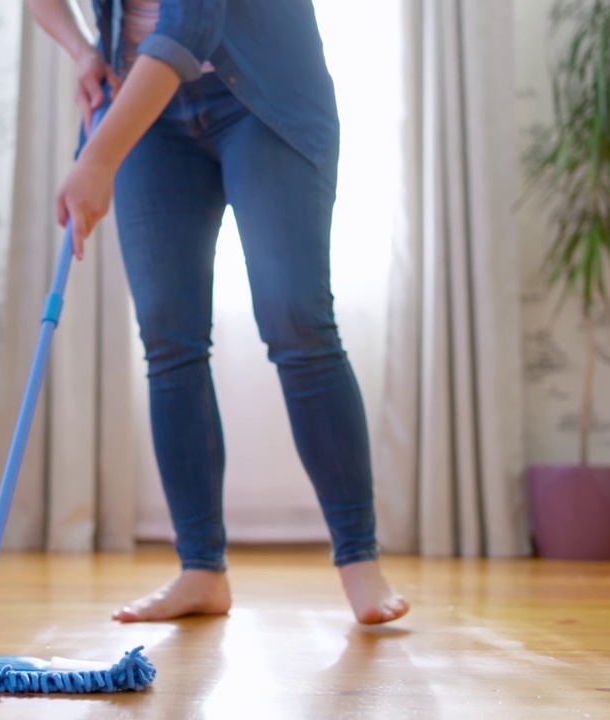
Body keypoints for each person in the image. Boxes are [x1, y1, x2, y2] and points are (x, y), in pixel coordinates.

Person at [22, 0, 410, 625]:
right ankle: (200, 571)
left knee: (297, 319)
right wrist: (84, 49)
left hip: (264, 100)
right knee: (168, 339)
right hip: (147, 110)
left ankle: (360, 561)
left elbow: (189, 26)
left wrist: (97, 158)